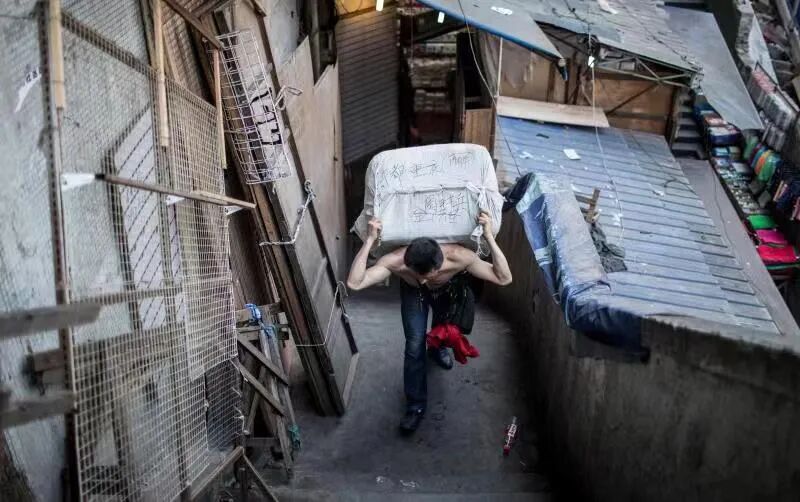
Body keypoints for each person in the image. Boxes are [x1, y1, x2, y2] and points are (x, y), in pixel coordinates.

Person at [346, 211, 512, 433]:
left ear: (440, 263)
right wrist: (369, 241)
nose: (424, 280)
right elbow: (355, 283)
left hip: (447, 290)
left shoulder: (459, 256)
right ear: (408, 263)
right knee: (414, 344)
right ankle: (415, 406)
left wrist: (489, 236)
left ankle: (436, 349)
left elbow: (504, 277)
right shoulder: (396, 261)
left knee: (442, 330)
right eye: (419, 275)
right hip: (413, 293)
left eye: (429, 275)